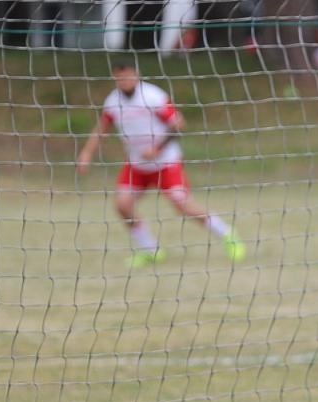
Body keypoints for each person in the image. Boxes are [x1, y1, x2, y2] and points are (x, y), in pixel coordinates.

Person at [77, 59, 245, 268]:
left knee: (183, 206)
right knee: (123, 206)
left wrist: (157, 149)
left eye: (128, 76)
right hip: (137, 165)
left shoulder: (152, 96)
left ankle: (228, 234)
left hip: (166, 162)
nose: (124, 81)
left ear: (136, 74)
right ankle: (151, 250)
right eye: (119, 78)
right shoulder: (113, 102)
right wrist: (86, 153)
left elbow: (178, 124)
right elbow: (101, 129)